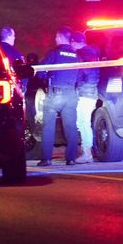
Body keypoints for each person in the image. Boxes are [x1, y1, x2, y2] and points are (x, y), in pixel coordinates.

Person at [35, 27, 81, 167]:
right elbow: (81, 76)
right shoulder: (77, 56)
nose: (55, 40)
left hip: (55, 93)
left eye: (56, 37)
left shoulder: (54, 53)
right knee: (71, 127)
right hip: (71, 94)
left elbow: (40, 71)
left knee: (48, 126)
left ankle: (46, 159)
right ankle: (71, 158)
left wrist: (46, 77)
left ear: (60, 37)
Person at [71, 31, 99, 164]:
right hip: (92, 92)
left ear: (74, 43)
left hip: (84, 93)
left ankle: (87, 153)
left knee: (83, 123)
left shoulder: (82, 54)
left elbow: (82, 73)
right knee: (83, 123)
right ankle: (86, 151)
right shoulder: (93, 53)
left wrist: (76, 83)